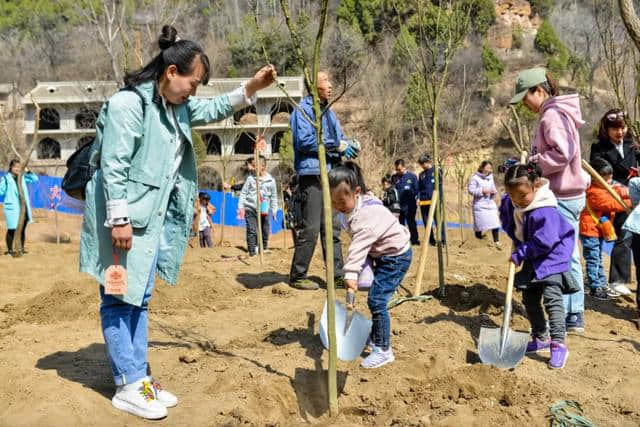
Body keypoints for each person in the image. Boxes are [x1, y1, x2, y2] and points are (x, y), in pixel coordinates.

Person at [79, 25, 276, 420]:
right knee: (118, 298)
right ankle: (127, 384)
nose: (194, 91)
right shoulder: (127, 106)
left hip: (149, 226)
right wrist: (118, 220)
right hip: (120, 222)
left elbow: (217, 107)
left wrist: (251, 87)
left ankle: (138, 376)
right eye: (193, 82)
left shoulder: (175, 109)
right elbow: (114, 167)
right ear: (171, 73)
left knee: (141, 298)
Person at [510, 67, 589, 333]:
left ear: (539, 91)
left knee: (565, 253)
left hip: (563, 194)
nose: (524, 104)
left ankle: (573, 311)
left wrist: (535, 166)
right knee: (565, 251)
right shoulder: (552, 113)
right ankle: (570, 309)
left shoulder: (553, 115)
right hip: (564, 192)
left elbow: (562, 153)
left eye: (525, 97)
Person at [329, 162, 412, 369]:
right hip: (379, 254)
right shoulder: (355, 206)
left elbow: (357, 248)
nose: (337, 207)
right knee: (373, 294)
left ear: (357, 192)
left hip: (395, 257)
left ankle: (383, 350)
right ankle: (375, 335)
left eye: (341, 202)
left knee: (377, 300)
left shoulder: (366, 216)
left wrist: (350, 274)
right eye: (333, 202)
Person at [499, 163, 579, 369]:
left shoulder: (543, 210)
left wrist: (521, 253)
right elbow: (509, 219)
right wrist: (506, 204)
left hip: (553, 256)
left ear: (536, 186)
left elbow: (545, 240)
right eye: (512, 195)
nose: (517, 200)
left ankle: (558, 344)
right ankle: (541, 336)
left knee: (552, 300)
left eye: (522, 195)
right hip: (534, 256)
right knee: (529, 297)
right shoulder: (517, 204)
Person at [289, 71, 360, 290]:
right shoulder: (303, 111)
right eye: (326, 81)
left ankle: (337, 275)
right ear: (314, 86)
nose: (330, 85)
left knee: (333, 228)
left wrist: (349, 144)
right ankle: (298, 275)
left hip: (330, 174)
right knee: (311, 228)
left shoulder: (328, 111)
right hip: (312, 176)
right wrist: (335, 144)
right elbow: (305, 141)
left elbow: (338, 138)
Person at [590, 109, 639, 297]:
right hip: (613, 198)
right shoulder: (599, 148)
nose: (620, 132)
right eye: (615, 129)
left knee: (635, 239)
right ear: (606, 129)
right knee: (625, 235)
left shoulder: (632, 145)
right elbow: (598, 172)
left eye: (623, 128)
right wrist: (618, 187)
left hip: (634, 198)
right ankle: (617, 280)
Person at [237, 154, 278, 255]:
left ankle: (263, 249)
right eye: (253, 166)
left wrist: (274, 210)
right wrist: (241, 206)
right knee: (252, 230)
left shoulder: (271, 181)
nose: (254, 168)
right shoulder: (251, 179)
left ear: (263, 167)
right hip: (250, 208)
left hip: (264, 208)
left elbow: (273, 196)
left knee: (265, 230)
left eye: (256, 166)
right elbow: (243, 193)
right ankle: (252, 252)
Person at [0, 159, 38, 255]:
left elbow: (35, 179)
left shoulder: (23, 177)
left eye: (19, 167)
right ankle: (10, 250)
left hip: (23, 208)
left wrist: (27, 170)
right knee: (12, 229)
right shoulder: (6, 179)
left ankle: (20, 248)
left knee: (22, 229)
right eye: (15, 167)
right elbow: (1, 191)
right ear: (11, 167)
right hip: (12, 208)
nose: (17, 169)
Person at [468, 160, 501, 246]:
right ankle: (478, 237)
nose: (490, 168)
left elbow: (493, 187)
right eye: (488, 166)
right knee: (480, 224)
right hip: (480, 204)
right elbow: (471, 190)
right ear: (483, 168)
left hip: (490, 203)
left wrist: (494, 191)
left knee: (495, 221)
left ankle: (496, 241)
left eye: (491, 167)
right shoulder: (475, 178)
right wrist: (482, 190)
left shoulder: (491, 177)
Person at [417, 154, 445, 245]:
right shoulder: (421, 175)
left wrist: (438, 199)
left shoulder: (437, 170)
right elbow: (419, 188)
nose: (421, 166)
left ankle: (442, 239)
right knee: (426, 222)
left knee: (438, 220)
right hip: (424, 201)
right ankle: (431, 240)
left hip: (435, 200)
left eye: (422, 164)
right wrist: (418, 198)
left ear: (427, 162)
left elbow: (439, 185)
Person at [392, 159, 420, 245]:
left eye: (399, 169)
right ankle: (403, 240)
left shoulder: (412, 176)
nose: (398, 171)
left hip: (410, 204)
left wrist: (418, 198)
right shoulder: (394, 177)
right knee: (400, 223)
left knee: (411, 222)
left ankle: (414, 240)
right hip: (399, 205)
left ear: (404, 167)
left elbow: (417, 190)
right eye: (396, 169)